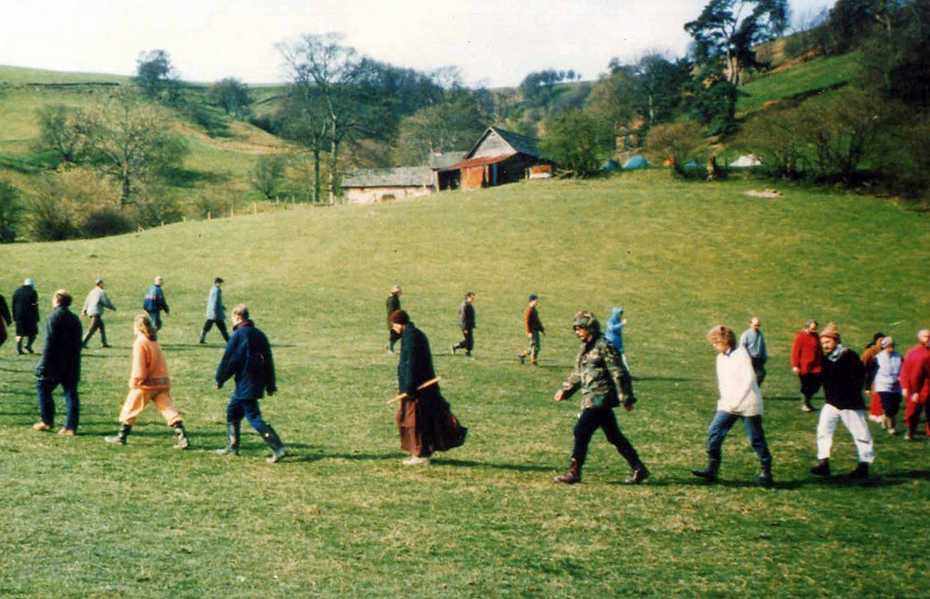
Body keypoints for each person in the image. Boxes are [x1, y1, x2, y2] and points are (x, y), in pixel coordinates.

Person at [552, 311, 648, 485]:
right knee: (614, 436)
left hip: (600, 398)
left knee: (581, 430)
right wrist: (565, 390)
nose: (577, 332)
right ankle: (639, 468)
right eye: (576, 329)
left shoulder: (604, 346)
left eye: (581, 328)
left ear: (591, 328)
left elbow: (619, 372)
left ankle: (574, 471)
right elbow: (578, 374)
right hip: (590, 397)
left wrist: (626, 398)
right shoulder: (584, 349)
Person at [692, 325, 773, 486]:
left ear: (725, 341)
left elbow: (748, 380)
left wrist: (737, 401)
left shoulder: (741, 354)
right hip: (728, 405)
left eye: (716, 342)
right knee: (714, 431)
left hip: (748, 403)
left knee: (756, 438)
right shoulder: (720, 358)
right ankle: (712, 468)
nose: (714, 346)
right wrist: (724, 402)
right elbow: (722, 383)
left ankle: (766, 470)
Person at [390, 309, 467, 465]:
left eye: (394, 325)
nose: (393, 328)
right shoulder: (411, 335)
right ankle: (420, 453)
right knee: (417, 420)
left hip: (418, 390)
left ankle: (420, 455)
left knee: (415, 422)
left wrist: (409, 388)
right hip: (417, 388)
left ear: (400, 323)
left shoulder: (412, 338)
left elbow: (411, 365)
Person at [215, 304, 286, 463]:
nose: (231, 321)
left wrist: (220, 378)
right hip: (255, 383)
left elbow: (230, 360)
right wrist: (270, 384)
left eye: (232, 318)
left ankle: (278, 448)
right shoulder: (260, 335)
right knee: (233, 411)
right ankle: (232, 447)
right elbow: (269, 362)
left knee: (253, 417)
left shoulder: (239, 336)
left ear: (238, 317)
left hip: (246, 384)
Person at [105, 314, 189, 448]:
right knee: (169, 410)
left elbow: (139, 366)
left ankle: (121, 436)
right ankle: (182, 436)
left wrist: (135, 381)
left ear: (137, 327)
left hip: (145, 384)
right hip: (161, 383)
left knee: (130, 408)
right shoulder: (153, 340)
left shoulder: (140, 342)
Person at [809, 323, 875, 479]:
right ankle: (824, 463)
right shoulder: (825, 359)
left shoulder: (849, 356)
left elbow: (859, 376)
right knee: (823, 430)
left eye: (828, 342)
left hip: (849, 404)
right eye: (823, 343)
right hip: (832, 403)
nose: (825, 345)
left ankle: (863, 465)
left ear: (836, 341)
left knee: (860, 434)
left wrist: (850, 394)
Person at [33, 289, 83, 436]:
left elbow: (49, 343)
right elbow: (78, 343)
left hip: (55, 363)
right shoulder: (74, 318)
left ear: (57, 300)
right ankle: (71, 427)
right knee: (70, 393)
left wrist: (43, 364)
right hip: (72, 362)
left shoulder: (53, 317)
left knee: (42, 387)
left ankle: (47, 421)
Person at [899, 329, 930, 441]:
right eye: (926, 336)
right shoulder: (914, 353)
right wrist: (906, 387)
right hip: (917, 388)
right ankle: (910, 431)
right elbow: (906, 371)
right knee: (913, 412)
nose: (928, 339)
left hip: (926, 387)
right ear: (919, 338)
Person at [791, 319, 823, 412]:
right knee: (806, 386)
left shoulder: (816, 336)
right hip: (805, 367)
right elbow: (795, 352)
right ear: (807, 327)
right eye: (813, 328)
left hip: (817, 366)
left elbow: (819, 350)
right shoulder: (801, 337)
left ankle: (807, 401)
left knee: (817, 385)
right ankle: (805, 403)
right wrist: (795, 365)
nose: (815, 330)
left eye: (816, 328)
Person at [874, 336, 903, 435]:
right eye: (888, 346)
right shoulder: (878, 358)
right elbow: (872, 372)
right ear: (884, 347)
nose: (891, 348)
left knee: (895, 407)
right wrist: (868, 386)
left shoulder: (899, 356)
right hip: (883, 385)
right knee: (889, 407)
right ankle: (891, 427)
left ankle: (884, 418)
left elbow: (904, 370)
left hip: (897, 385)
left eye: (892, 346)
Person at [81, 278, 116, 348]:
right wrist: (112, 307)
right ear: (100, 284)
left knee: (102, 327)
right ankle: (82, 343)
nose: (103, 285)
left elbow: (87, 301)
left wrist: (84, 310)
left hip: (91, 312)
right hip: (95, 313)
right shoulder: (101, 292)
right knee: (92, 329)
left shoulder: (92, 291)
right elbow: (105, 301)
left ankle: (104, 343)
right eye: (102, 283)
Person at [861, 332, 886, 424]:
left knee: (880, 396)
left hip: (882, 377)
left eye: (884, 340)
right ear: (875, 341)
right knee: (877, 396)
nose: (882, 342)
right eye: (880, 340)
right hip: (872, 377)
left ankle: (877, 413)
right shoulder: (869, 352)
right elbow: (862, 364)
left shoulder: (885, 350)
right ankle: (875, 414)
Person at [12, 278, 40, 354]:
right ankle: (28, 345)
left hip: (19, 316)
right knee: (33, 333)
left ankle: (19, 350)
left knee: (19, 333)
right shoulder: (33, 292)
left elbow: (13, 305)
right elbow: (35, 306)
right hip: (30, 316)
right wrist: (37, 317)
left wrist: (14, 316)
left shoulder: (16, 292)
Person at [739, 317, 768, 386]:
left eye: (758, 325)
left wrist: (764, 356)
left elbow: (762, 346)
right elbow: (742, 347)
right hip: (749, 358)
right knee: (748, 376)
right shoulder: (746, 334)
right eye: (755, 325)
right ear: (750, 324)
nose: (757, 327)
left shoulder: (760, 334)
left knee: (761, 374)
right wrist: (747, 357)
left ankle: (754, 389)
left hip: (758, 359)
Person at [199, 277, 228, 344]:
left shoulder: (213, 289)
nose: (220, 284)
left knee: (207, 326)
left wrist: (222, 307)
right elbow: (214, 302)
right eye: (219, 283)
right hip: (216, 313)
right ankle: (228, 340)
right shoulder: (216, 290)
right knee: (222, 328)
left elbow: (214, 301)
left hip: (212, 313)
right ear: (216, 283)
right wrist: (215, 311)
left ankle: (202, 338)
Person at [518, 294, 545, 366]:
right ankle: (533, 362)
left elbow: (537, 321)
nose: (537, 302)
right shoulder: (529, 310)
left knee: (533, 347)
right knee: (536, 347)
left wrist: (542, 329)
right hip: (532, 331)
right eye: (536, 301)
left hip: (536, 331)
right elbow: (526, 322)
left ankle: (522, 355)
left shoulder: (534, 310)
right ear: (531, 301)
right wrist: (529, 332)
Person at [451, 291, 476, 357]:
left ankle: (455, 346)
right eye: (472, 298)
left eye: (473, 298)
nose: (473, 300)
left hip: (468, 326)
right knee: (469, 341)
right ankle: (467, 353)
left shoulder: (468, 305)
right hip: (466, 326)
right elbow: (463, 317)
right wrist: (465, 328)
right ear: (467, 297)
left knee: (469, 340)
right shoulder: (465, 306)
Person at [605, 307, 630, 371]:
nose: (621, 314)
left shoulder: (618, 320)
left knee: (622, 357)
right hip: (610, 341)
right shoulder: (610, 320)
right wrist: (622, 324)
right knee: (611, 357)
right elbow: (611, 328)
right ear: (615, 313)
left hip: (618, 341)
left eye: (621, 313)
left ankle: (627, 372)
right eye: (620, 313)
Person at [385, 284, 402, 353]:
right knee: (395, 334)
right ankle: (390, 348)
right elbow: (391, 311)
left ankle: (388, 345)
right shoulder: (392, 300)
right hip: (393, 320)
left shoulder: (395, 298)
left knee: (398, 334)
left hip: (396, 319)